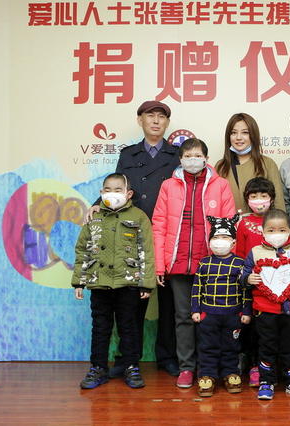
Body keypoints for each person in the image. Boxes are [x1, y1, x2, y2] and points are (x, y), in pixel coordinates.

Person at [85, 100, 180, 378]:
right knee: (132, 301)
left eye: (161, 117)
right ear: (140, 120)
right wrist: (96, 204)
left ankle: (167, 357)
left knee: (168, 301)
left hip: (165, 234)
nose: (156, 121)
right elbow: (118, 186)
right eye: (150, 116)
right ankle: (128, 359)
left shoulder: (177, 155)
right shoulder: (128, 154)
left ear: (167, 123)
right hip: (132, 233)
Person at [152, 138, 237, 388]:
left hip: (211, 264)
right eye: (188, 156)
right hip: (177, 263)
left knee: (211, 316)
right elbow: (159, 225)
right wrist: (160, 265)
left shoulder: (220, 185)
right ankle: (187, 368)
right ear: (180, 159)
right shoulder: (169, 186)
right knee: (183, 317)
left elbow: (230, 224)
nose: (193, 160)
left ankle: (209, 368)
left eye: (197, 155)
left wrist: (229, 262)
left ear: (206, 159)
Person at [73, 173, 155, 389]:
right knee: (100, 327)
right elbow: (82, 250)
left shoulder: (139, 217)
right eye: (108, 190)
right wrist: (79, 281)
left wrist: (146, 283)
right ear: (101, 193)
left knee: (129, 327)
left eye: (118, 190)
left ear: (128, 194)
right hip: (99, 283)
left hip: (128, 284)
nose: (112, 194)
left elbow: (146, 251)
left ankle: (131, 366)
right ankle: (98, 368)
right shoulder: (94, 217)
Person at [241, 209, 290, 400]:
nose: (276, 234)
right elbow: (243, 276)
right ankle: (267, 381)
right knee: (266, 346)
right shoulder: (255, 252)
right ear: (263, 231)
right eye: (271, 230)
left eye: (282, 230)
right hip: (265, 311)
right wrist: (248, 279)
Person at [191, 214, 252, 397]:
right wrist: (196, 310)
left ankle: (230, 373)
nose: (220, 241)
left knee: (231, 346)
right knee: (207, 346)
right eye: (216, 237)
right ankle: (207, 375)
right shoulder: (204, 263)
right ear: (210, 241)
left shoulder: (240, 263)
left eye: (225, 237)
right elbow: (197, 288)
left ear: (233, 242)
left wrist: (246, 311)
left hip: (233, 314)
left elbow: (245, 290)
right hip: (208, 315)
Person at [233, 176, 276, 387]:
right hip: (251, 283)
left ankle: (270, 365)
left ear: (271, 199)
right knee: (250, 326)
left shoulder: (278, 220)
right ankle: (252, 366)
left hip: (276, 284)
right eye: (254, 196)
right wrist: (244, 278)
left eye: (263, 195)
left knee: (269, 328)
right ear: (247, 199)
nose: (259, 200)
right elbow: (240, 254)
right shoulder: (244, 223)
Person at [216, 112, 285, 213]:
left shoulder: (267, 163)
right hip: (229, 222)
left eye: (245, 132)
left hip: (262, 222)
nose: (238, 137)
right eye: (233, 133)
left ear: (253, 135)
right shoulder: (220, 167)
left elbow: (278, 204)